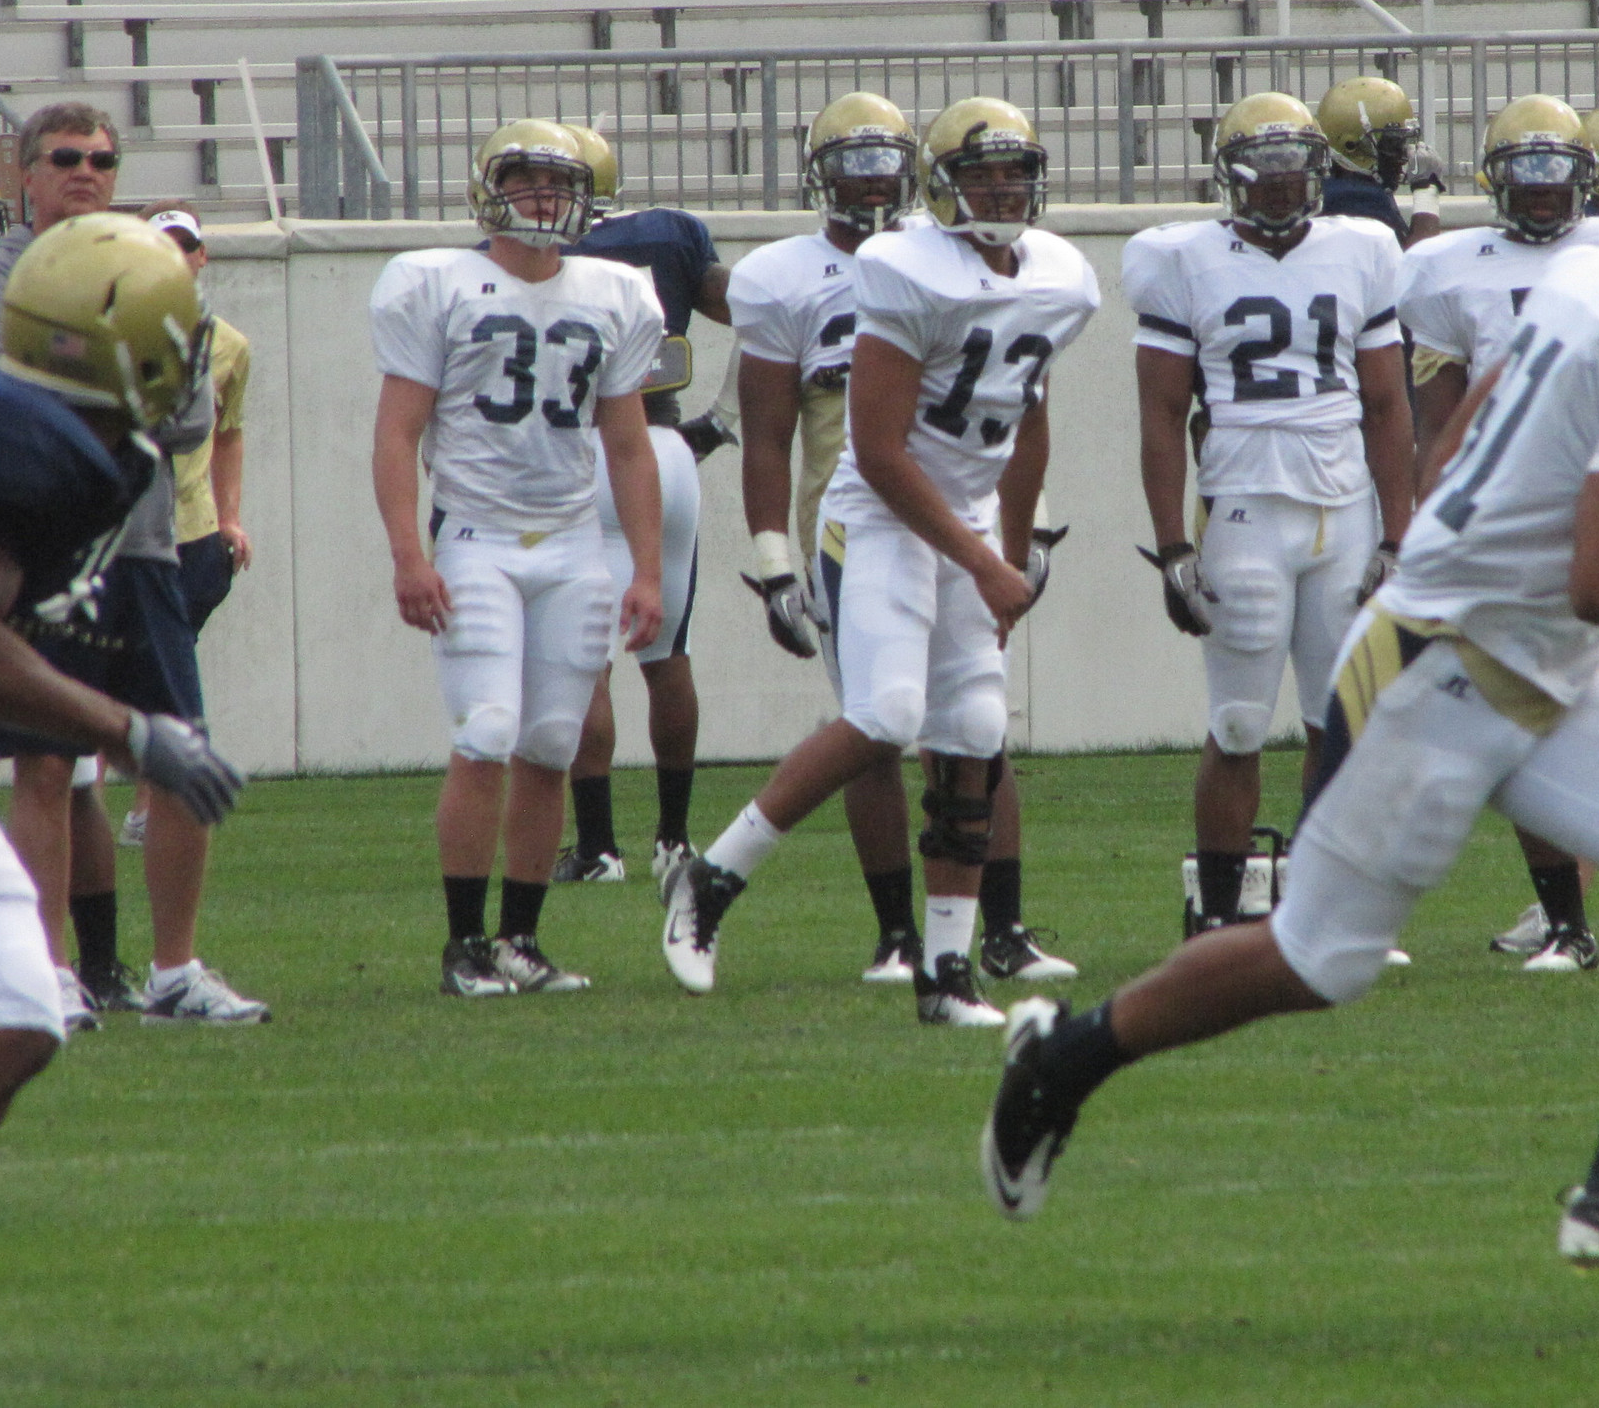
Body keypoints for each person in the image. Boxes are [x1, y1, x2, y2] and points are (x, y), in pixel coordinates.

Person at [979, 107, 1599, 1270]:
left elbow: (1465, 430)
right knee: (1315, 959)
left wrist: (1451, 531)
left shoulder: (1588, 279)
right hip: (1451, 665)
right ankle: (1062, 1059)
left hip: (1536, 652)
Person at [664, 98, 1099, 1027]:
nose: (1001, 190)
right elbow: (879, 452)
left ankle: (945, 976)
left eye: (1016, 174)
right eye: (981, 176)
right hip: (877, 515)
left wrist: (1011, 554)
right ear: (940, 189)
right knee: (887, 712)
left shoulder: (1061, 275)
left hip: (969, 518)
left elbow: (1030, 429)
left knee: (976, 730)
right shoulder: (902, 270)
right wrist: (983, 563)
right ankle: (712, 879)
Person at [0, 104, 265, 1028]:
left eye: (102, 158)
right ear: (25, 173)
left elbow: (189, 415)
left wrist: (90, 386)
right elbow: (7, 404)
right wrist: (110, 385)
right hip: (42, 551)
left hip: (141, 544)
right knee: (47, 761)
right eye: (65, 157)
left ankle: (175, 969)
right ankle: (48, 969)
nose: (86, 172)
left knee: (180, 747)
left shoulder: (153, 270)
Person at [370, 118, 665, 998]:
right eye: (525, 180)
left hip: (574, 543)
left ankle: (521, 940)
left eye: (556, 183)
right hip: (475, 539)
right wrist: (405, 553)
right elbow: (397, 432)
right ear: (489, 189)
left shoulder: (615, 292)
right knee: (488, 730)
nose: (542, 197)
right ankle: (465, 944)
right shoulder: (439, 284)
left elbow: (631, 447)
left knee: (549, 742)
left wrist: (646, 568)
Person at [1125, 92, 1415, 942]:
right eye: (1269, 175)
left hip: (1345, 510)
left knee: (1344, 722)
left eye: (1298, 174)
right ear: (1232, 178)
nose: (1286, 190)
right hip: (1245, 506)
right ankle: (1218, 910)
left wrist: (1399, 533)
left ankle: (1332, 907)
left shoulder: (1362, 248)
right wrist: (1175, 544)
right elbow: (1160, 417)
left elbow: (1389, 406)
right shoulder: (1180, 261)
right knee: (1240, 722)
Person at [1399, 95, 1599, 970]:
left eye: (1553, 174)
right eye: (1521, 177)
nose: (1537, 194)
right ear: (1494, 183)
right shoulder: (1450, 268)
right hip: (1512, 523)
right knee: (1525, 730)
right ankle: (1569, 921)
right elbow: (1437, 421)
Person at [554, 124, 728, 888]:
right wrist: (723, 420)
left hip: (580, 456)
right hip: (664, 448)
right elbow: (769, 316)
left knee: (584, 660)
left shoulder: (536, 257)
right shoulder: (672, 235)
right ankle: (674, 839)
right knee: (668, 655)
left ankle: (597, 847)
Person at [117, 206, 253, 851]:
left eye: (186, 246)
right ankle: (143, 797)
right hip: (132, 528)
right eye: (161, 245)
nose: (176, 256)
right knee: (142, 670)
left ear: (203, 257)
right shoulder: (109, 330)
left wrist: (231, 517)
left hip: (194, 530)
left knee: (165, 669)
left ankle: (150, 804)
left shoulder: (228, 344)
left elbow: (228, 434)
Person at [1313, 76, 1444, 246]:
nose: (1404, 154)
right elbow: (1420, 261)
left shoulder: (1340, 186)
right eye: (1396, 144)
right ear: (1352, 145)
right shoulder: (1355, 198)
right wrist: (1426, 191)